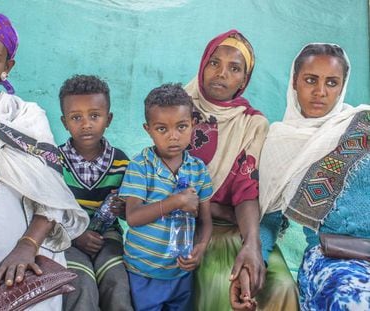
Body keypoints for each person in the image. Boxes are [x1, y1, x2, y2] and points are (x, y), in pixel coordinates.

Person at [0, 13, 88, 310]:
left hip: (8, 274)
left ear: (7, 67)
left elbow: (51, 193)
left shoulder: (25, 117)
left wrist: (27, 246)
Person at [185, 29, 299, 310]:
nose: (221, 73)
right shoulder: (178, 108)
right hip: (188, 225)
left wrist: (252, 244)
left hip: (237, 224)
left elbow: (246, 189)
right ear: (202, 65)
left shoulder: (252, 123)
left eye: (234, 68)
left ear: (244, 80)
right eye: (214, 62)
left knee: (282, 285)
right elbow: (166, 183)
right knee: (218, 281)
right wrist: (216, 210)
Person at [257, 43, 370, 310]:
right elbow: (269, 220)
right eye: (311, 80)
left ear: (342, 87)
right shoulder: (280, 142)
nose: (320, 92)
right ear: (295, 82)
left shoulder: (363, 125)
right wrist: (256, 259)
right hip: (333, 258)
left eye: (332, 82)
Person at [119, 83, 213, 311]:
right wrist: (177, 201)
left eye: (181, 127)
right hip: (143, 272)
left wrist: (200, 247)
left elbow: (205, 220)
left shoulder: (198, 169)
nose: (173, 136)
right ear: (148, 129)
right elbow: (132, 217)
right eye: (162, 129)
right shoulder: (140, 166)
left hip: (180, 273)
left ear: (193, 124)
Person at [58, 74, 133, 311]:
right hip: (67, 237)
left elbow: (131, 210)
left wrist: (124, 210)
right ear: (64, 122)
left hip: (107, 237)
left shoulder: (121, 162)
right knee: (80, 285)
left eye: (95, 116)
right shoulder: (55, 160)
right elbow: (48, 210)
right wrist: (76, 235)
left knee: (118, 282)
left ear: (108, 119)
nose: (86, 124)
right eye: (76, 117)